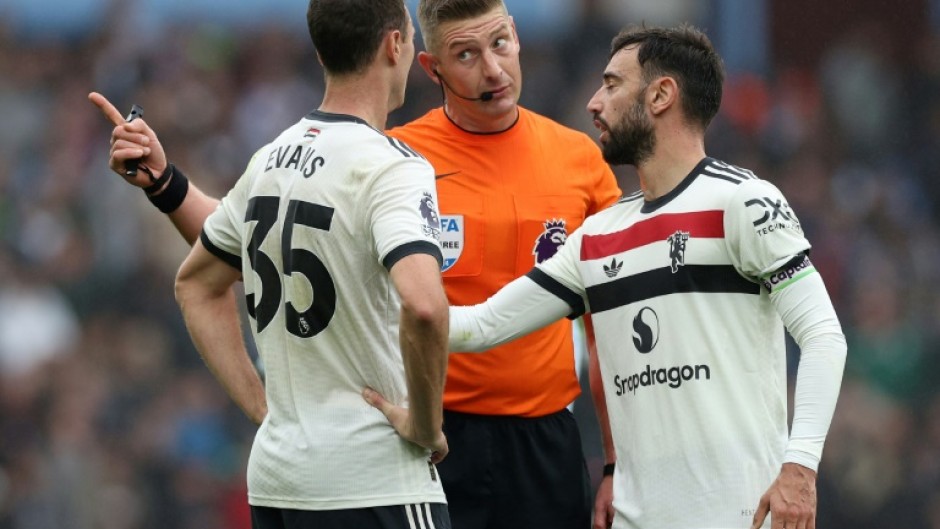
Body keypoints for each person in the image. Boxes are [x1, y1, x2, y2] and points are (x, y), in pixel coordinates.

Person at [91, 1, 623, 528]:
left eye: (500, 44)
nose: (493, 69)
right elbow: (268, 238)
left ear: (517, 36)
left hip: (542, 440)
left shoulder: (579, 161)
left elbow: (610, 320)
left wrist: (617, 460)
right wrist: (168, 187)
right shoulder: (393, 160)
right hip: (423, 431)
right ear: (428, 65)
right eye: (466, 54)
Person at [436, 24, 847, 529]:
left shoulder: (743, 202)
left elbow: (823, 336)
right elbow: (479, 326)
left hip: (739, 515)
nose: (593, 103)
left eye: (612, 85)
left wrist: (800, 467)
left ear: (660, 95)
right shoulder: (596, 236)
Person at [92, 1, 452, 528]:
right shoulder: (392, 168)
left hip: (278, 479)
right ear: (394, 45)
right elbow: (424, 306)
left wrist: (264, 412)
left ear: (320, 51)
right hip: (372, 478)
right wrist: (425, 423)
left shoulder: (272, 158)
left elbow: (199, 280)